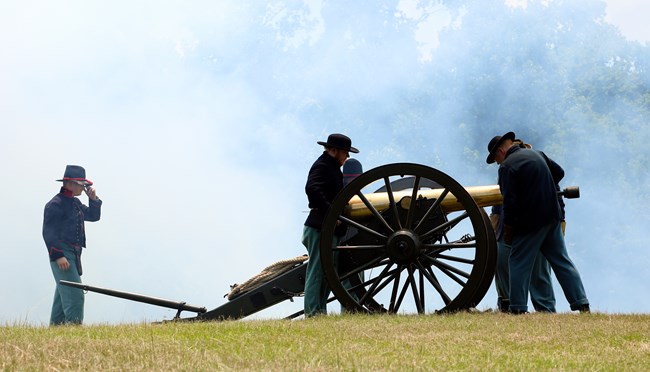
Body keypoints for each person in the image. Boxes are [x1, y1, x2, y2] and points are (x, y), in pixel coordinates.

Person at [486, 132, 589, 314]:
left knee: (517, 262)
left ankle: (517, 308)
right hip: (552, 217)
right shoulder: (538, 154)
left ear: (501, 151)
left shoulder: (507, 167)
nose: (498, 163)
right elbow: (559, 172)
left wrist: (509, 229)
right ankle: (582, 303)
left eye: (496, 159)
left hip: (530, 222)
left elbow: (509, 202)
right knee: (562, 261)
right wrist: (542, 186)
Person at [489, 139, 556, 313]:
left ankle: (545, 310)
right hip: (509, 226)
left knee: (539, 271)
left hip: (532, 224)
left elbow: (556, 196)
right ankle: (508, 304)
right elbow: (498, 205)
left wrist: (560, 221)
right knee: (502, 263)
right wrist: (493, 229)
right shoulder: (507, 169)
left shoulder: (536, 165)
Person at [302, 133, 359, 317]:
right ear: (334, 151)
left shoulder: (331, 166)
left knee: (327, 275)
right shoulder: (323, 165)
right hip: (319, 227)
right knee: (318, 272)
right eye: (345, 153)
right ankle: (313, 313)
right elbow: (312, 189)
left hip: (327, 227)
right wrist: (332, 214)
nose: (347, 157)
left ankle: (319, 312)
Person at [43, 165, 102, 325]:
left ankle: (56, 333)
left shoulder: (75, 203)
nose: (83, 189)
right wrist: (58, 255)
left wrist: (93, 199)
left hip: (73, 255)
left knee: (62, 299)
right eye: (82, 185)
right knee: (75, 295)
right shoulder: (55, 204)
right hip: (62, 254)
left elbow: (93, 216)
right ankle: (73, 332)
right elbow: (48, 232)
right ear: (70, 183)